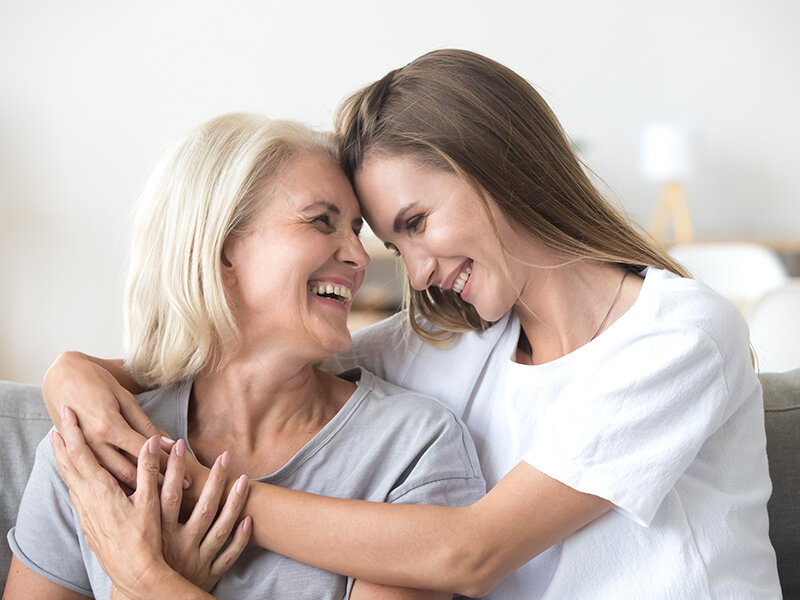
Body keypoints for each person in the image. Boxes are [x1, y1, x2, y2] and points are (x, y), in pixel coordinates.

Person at [36, 49, 781, 598]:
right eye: (397, 242)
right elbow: (256, 354)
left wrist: (193, 501)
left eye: (417, 221)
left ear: (500, 165)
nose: (414, 271)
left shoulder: (679, 333)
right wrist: (77, 370)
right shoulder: (460, 343)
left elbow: (470, 553)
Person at [4, 113, 485, 599]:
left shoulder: (410, 449)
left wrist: (148, 584)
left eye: (357, 230)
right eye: (322, 221)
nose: (360, 257)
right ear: (220, 254)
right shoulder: (95, 447)